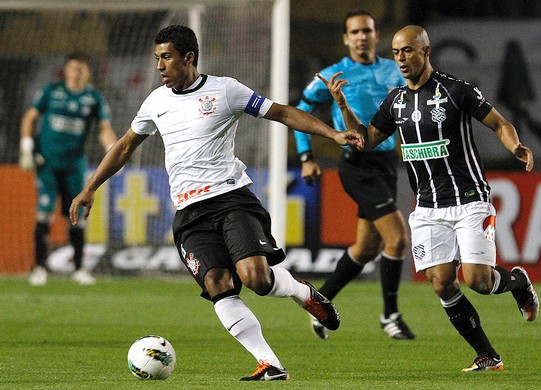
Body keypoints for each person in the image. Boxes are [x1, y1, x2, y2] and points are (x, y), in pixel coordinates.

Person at [69, 25, 362, 381]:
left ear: (188, 58)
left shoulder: (225, 90)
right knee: (216, 283)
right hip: (189, 214)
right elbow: (126, 146)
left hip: (231, 200)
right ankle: (270, 364)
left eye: (166, 57)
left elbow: (282, 112)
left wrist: (331, 134)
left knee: (255, 278)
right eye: (156, 58)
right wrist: (91, 187)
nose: (159, 66)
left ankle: (303, 292)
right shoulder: (155, 102)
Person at [318, 25, 540, 372]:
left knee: (478, 281)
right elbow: (366, 139)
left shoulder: (456, 91)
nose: (401, 59)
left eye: (407, 51)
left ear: (426, 50)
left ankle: (517, 282)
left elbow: (499, 123)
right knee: (441, 282)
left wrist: (515, 146)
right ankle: (488, 356)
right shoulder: (396, 101)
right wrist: (343, 106)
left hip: (468, 197)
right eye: (396, 53)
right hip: (428, 206)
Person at [294, 8, 414, 341]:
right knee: (398, 238)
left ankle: (319, 302)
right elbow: (300, 112)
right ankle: (390, 316)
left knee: (365, 248)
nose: (362, 37)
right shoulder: (332, 74)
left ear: (376, 36)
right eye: (355, 32)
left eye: (367, 31)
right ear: (346, 39)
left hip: (387, 162)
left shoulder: (394, 71)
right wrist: (306, 156)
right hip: (357, 165)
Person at [19, 52, 118, 286]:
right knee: (44, 212)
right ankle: (39, 268)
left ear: (88, 73)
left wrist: (114, 150)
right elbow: (30, 117)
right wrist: (26, 144)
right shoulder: (51, 92)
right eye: (73, 68)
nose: (76, 73)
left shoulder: (93, 98)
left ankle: (79, 269)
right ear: (65, 70)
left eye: (81, 69)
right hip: (48, 164)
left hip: (75, 165)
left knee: (76, 216)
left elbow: (104, 127)